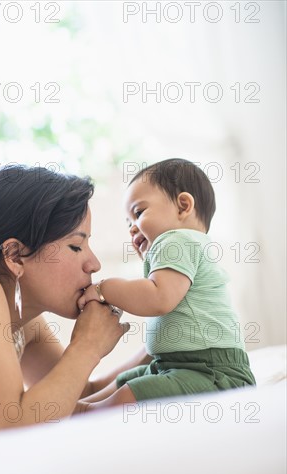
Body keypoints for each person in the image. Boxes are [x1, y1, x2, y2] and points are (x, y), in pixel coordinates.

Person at [0, 165, 129, 444]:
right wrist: (88, 346)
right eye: (76, 247)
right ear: (15, 255)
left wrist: (162, 348)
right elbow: (10, 431)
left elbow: (75, 396)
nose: (94, 264)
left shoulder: (21, 316)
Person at [76, 158, 256, 411]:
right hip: (179, 364)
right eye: (128, 223)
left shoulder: (176, 240)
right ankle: (78, 406)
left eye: (138, 213)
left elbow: (159, 299)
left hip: (213, 373)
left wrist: (105, 288)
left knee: (129, 392)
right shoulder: (182, 245)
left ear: (183, 206)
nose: (131, 229)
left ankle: (82, 411)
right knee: (129, 379)